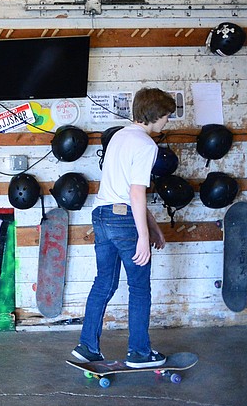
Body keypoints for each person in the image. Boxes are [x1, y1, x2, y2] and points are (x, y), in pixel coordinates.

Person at [72, 87, 174, 368]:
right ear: (155, 115)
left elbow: (124, 189)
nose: (167, 121)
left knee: (104, 282)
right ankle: (140, 352)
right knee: (139, 287)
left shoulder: (119, 136)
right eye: (166, 116)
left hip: (102, 215)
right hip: (124, 219)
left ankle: (87, 347)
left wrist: (153, 227)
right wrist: (143, 236)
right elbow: (136, 193)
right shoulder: (145, 145)